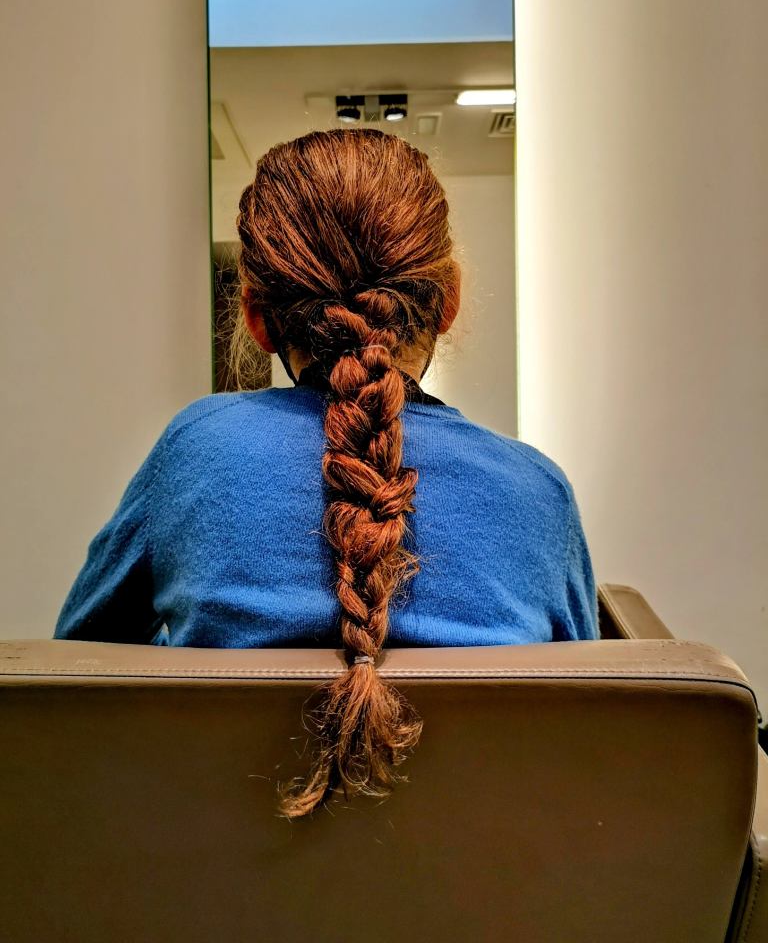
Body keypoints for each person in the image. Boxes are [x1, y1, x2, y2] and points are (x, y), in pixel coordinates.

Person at [54, 128, 598, 816]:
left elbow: (71, 681)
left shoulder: (195, 451)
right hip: (497, 877)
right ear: (448, 301)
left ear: (256, 317)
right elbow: (593, 728)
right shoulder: (537, 492)